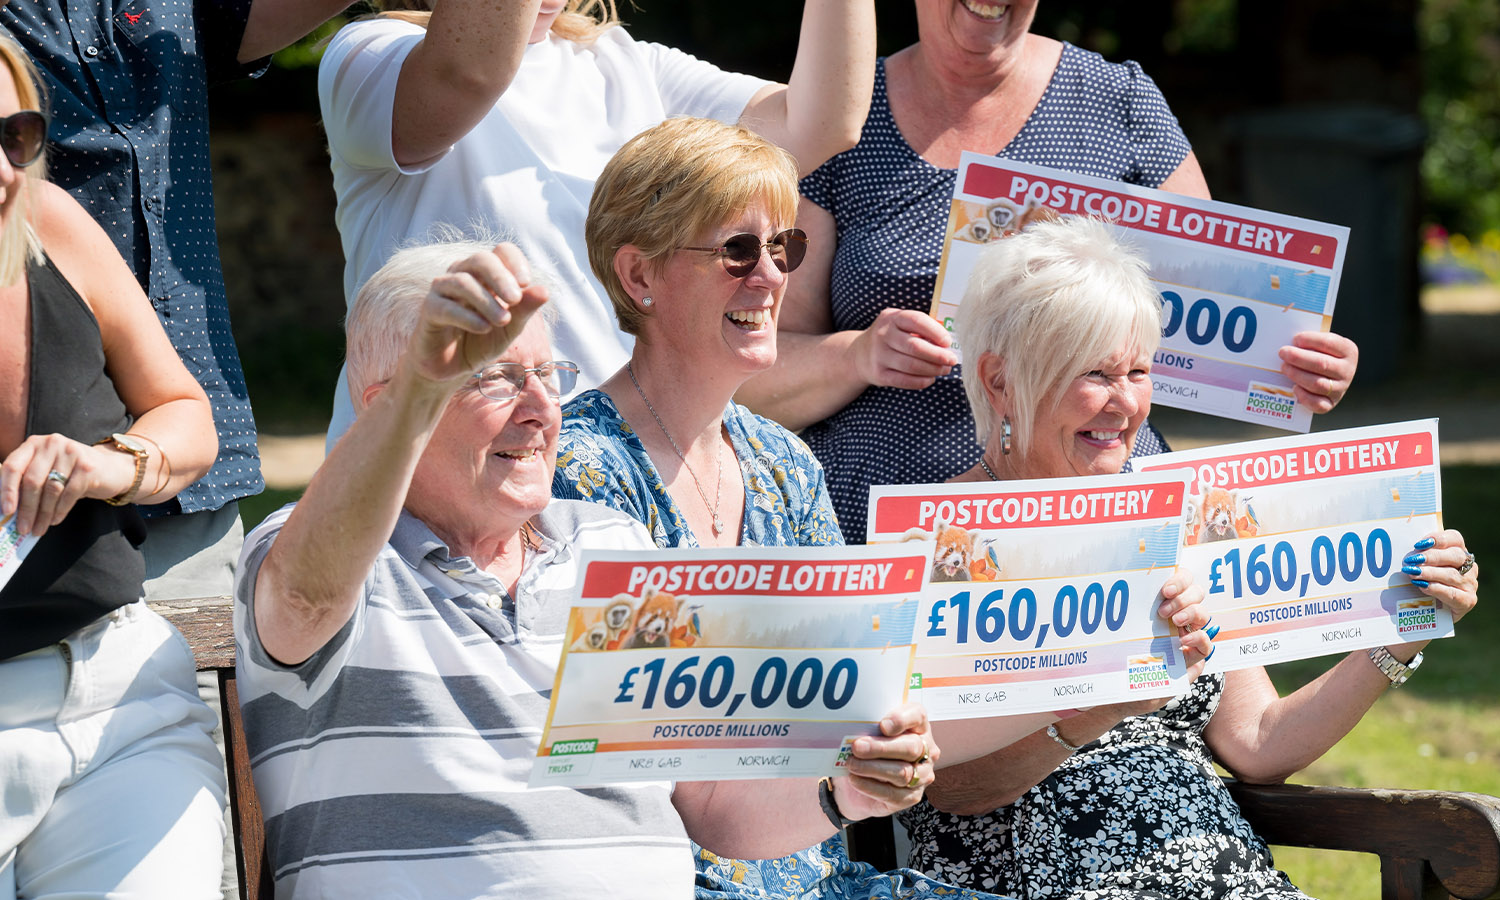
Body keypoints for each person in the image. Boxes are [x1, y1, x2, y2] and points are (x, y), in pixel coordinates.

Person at [553, 117, 1213, 899]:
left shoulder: (783, 464)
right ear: (640, 277)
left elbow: (873, 702)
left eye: (783, 250)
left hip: (820, 878)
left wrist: (1107, 683)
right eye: (737, 250)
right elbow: (648, 783)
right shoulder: (577, 470)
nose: (770, 278)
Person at [236, 236, 940, 899]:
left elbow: (711, 802)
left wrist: (847, 785)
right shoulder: (325, 563)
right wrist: (420, 387)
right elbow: (304, 596)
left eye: (548, 375)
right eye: (497, 379)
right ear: (386, 403)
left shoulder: (607, 545)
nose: (545, 409)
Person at [896, 215, 1480, 899]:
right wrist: (1102, 708)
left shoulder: (1173, 515)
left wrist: (1403, 628)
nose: (1126, 403)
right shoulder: (942, 544)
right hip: (1039, 872)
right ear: (999, 381)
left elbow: (1261, 744)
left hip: (1220, 870)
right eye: (1096, 373)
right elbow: (951, 791)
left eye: (1138, 371)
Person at [736, 0, 1360, 543]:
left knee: (1186, 683)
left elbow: (1218, 321)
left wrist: (1298, 364)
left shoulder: (1120, 101)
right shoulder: (837, 120)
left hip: (1096, 507)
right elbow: (750, 375)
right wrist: (857, 356)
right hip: (894, 512)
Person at [319, 0, 875, 445]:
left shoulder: (620, 61)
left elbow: (823, 122)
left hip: (616, 471)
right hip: (442, 470)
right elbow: (471, 71)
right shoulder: (372, 53)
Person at [0, 34, 226, 898]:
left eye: (14, 134)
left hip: (118, 698)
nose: (3, 169)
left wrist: (110, 465)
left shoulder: (50, 221)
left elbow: (186, 416)